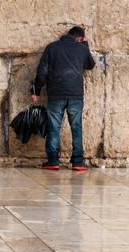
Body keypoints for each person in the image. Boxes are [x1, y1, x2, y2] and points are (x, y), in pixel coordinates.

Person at [32, 26, 96, 172]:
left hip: (56, 94)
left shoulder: (52, 48)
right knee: (76, 127)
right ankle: (78, 162)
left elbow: (42, 71)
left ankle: (53, 161)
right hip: (75, 95)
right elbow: (90, 65)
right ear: (80, 38)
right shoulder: (82, 49)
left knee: (54, 126)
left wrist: (36, 90)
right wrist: (85, 45)